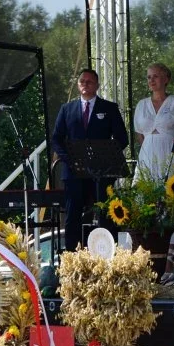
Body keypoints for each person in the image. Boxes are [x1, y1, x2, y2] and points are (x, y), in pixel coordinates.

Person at [51, 68, 128, 251]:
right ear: (78, 85)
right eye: (82, 82)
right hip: (73, 171)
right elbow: (56, 139)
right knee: (72, 216)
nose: (85, 85)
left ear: (97, 85)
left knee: (105, 215)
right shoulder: (67, 109)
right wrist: (68, 159)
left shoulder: (109, 108)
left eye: (89, 82)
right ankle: (73, 258)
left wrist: (104, 158)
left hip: (101, 172)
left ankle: (107, 256)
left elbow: (122, 138)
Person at [133, 63, 174, 252]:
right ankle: (147, 251)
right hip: (147, 156)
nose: (151, 80)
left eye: (156, 76)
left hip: (169, 155)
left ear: (166, 79)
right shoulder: (141, 105)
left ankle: (170, 257)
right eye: (148, 77)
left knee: (170, 204)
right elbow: (140, 135)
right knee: (146, 201)